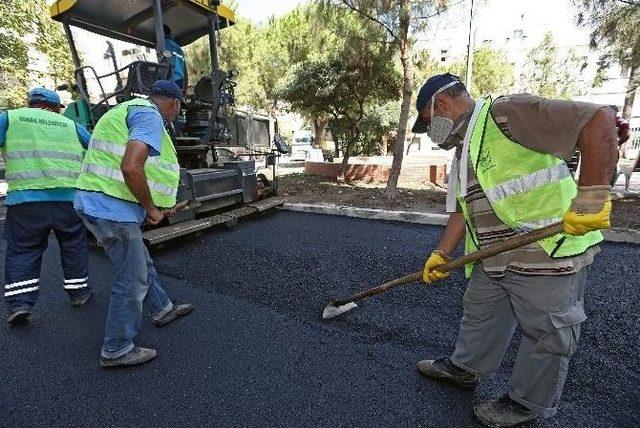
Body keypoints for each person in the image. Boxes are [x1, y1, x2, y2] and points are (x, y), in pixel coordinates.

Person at [412, 73, 618, 427]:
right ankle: (466, 367)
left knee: (549, 332)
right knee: (480, 315)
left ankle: (526, 404)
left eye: (429, 124)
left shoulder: (507, 114)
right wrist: (442, 255)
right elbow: (464, 208)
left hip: (547, 250)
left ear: (442, 104)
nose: (432, 134)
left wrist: (593, 197)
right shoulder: (465, 149)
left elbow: (598, 118)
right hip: (494, 257)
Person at [74, 80, 193, 368]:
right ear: (174, 104)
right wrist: (151, 208)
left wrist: (153, 206)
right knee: (132, 276)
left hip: (100, 202)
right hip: (109, 208)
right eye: (179, 108)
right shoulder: (150, 115)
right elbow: (131, 166)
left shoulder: (127, 109)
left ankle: (162, 308)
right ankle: (116, 348)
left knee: (139, 262)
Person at [0, 88, 91, 324]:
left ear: (31, 103)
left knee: (23, 250)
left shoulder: (11, 118)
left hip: (26, 202)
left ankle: (20, 302)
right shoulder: (71, 126)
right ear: (56, 107)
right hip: (68, 200)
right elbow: (94, 151)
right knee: (73, 245)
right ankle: (79, 293)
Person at [163, 25, 188, 94]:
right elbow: (185, 69)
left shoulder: (163, 44)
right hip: (180, 81)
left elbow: (167, 64)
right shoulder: (178, 48)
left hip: (169, 79)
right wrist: (185, 86)